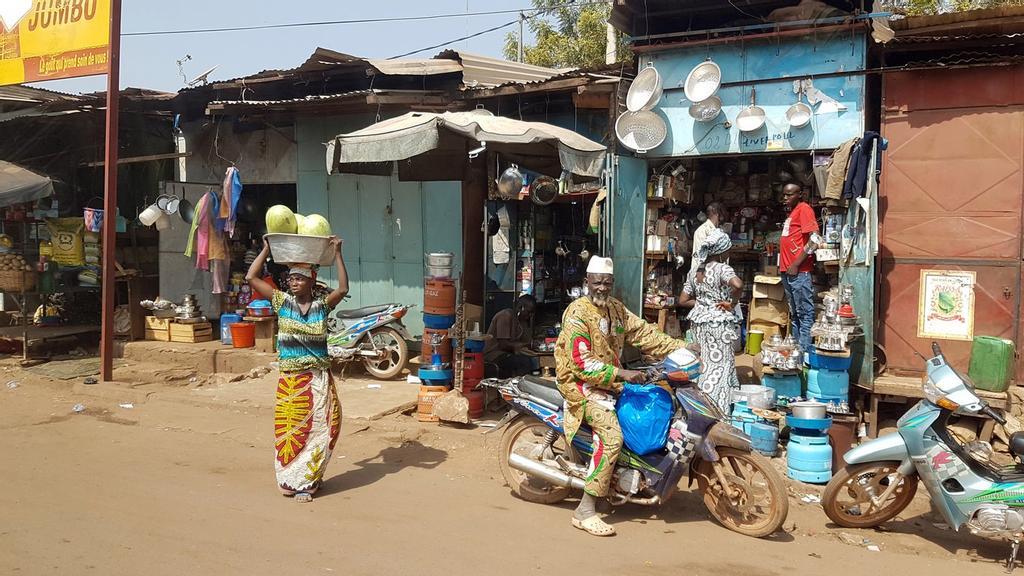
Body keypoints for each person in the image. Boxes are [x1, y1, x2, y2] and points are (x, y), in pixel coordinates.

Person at [554, 256, 686, 537]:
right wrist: (621, 374)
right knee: (613, 437)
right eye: (597, 282)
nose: (602, 288)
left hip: (610, 383)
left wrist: (680, 348)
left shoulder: (616, 310)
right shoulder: (577, 314)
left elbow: (644, 333)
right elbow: (581, 362)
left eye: (607, 283)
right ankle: (585, 510)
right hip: (580, 386)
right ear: (587, 282)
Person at [246, 235, 349, 503]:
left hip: (319, 378)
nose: (294, 282)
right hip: (292, 381)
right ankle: (295, 483)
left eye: (300, 278)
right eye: (291, 278)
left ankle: (311, 476)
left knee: (328, 427)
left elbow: (343, 289)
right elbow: (251, 278)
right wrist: (267, 248)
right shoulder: (282, 303)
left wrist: (337, 253)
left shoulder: (321, 307)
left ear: (311, 281)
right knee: (293, 432)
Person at [678, 229, 743, 414]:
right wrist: (732, 303)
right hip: (718, 324)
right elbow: (737, 285)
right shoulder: (723, 268)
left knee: (702, 365)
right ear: (722, 251)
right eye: (728, 250)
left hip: (698, 324)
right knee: (720, 367)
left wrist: (701, 303)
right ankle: (718, 412)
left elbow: (682, 300)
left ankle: (696, 408)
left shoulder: (695, 271)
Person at [780, 183, 819, 353]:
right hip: (788, 272)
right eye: (784, 195)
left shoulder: (804, 209)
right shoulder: (793, 213)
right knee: (795, 315)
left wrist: (796, 264)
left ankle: (803, 353)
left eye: (789, 195)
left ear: (800, 194)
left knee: (805, 314)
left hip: (799, 272)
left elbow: (815, 239)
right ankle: (797, 352)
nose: (786, 198)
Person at [482, 294, 539, 376]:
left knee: (534, 360)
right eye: (528, 312)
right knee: (524, 362)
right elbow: (503, 345)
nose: (530, 315)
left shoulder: (522, 322)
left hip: (509, 353)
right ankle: (519, 386)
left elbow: (527, 341)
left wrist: (534, 345)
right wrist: (527, 344)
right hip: (494, 354)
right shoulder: (505, 315)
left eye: (532, 313)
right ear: (520, 307)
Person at [691, 202, 725, 272]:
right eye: (723, 212)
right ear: (717, 213)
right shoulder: (703, 231)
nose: (725, 214)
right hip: (704, 275)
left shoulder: (719, 231)